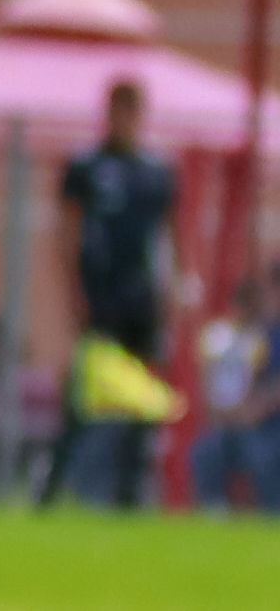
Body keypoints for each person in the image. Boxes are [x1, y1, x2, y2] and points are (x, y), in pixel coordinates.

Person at [36, 78, 183, 509]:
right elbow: (67, 232)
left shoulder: (157, 173)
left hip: (141, 302)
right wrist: (74, 294)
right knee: (85, 399)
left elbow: (170, 236)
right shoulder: (86, 167)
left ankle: (129, 493)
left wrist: (174, 289)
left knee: (143, 401)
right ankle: (51, 486)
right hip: (102, 302)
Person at [190, 273, 280, 511]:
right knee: (204, 453)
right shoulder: (223, 337)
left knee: (265, 458)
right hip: (229, 420)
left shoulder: (265, 339)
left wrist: (253, 411)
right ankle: (213, 512)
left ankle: (271, 514)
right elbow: (208, 385)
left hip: (265, 426)